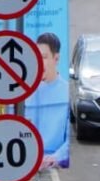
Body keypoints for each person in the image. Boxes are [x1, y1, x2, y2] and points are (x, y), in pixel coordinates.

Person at [23, 32, 69, 169]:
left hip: (54, 163)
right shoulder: (24, 94)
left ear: (56, 59)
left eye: (43, 57)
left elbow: (70, 138)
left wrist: (56, 157)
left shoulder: (67, 93)